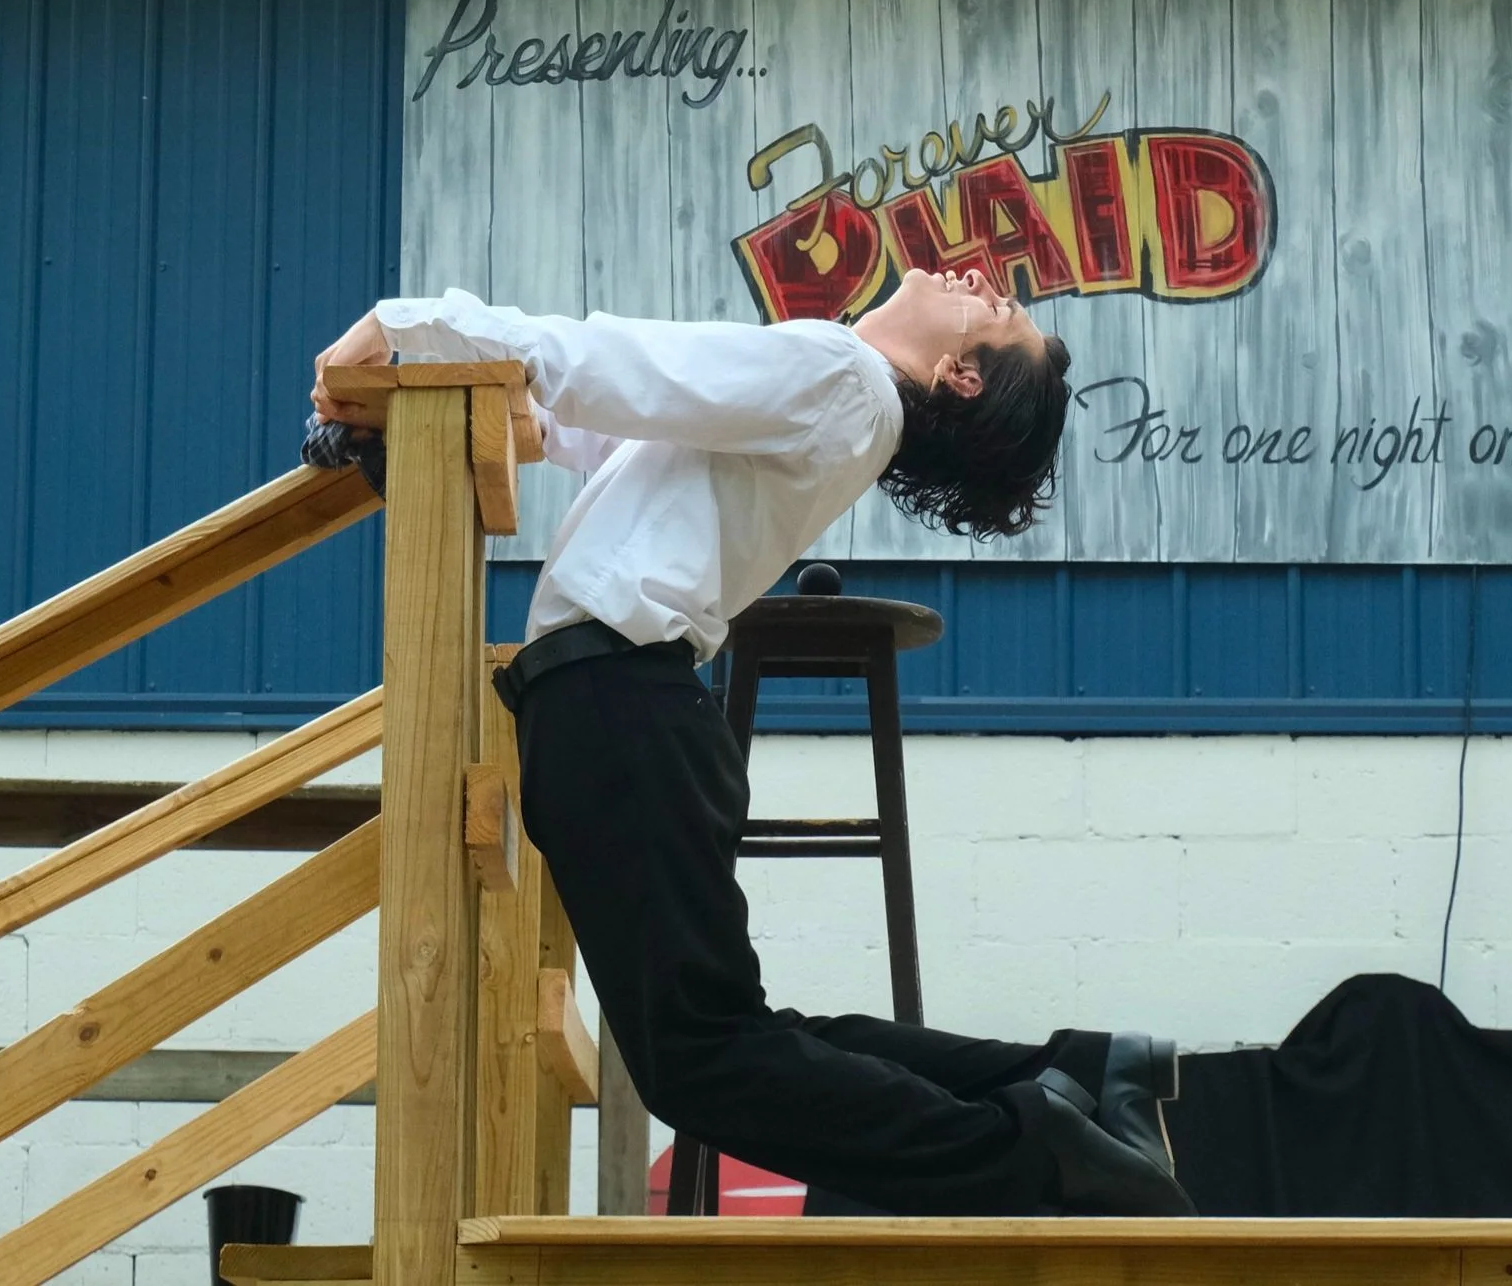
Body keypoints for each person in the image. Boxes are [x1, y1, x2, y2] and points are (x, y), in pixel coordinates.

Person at [309, 268, 1194, 1217]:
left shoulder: (837, 376)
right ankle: (1085, 1078)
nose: (980, 279)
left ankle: (1035, 1160)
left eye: (996, 313)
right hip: (622, 704)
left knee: (701, 1059)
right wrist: (436, 393)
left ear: (961, 374)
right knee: (721, 1040)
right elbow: (611, 427)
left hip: (617, 704)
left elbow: (609, 360)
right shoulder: (842, 396)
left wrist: (412, 324)